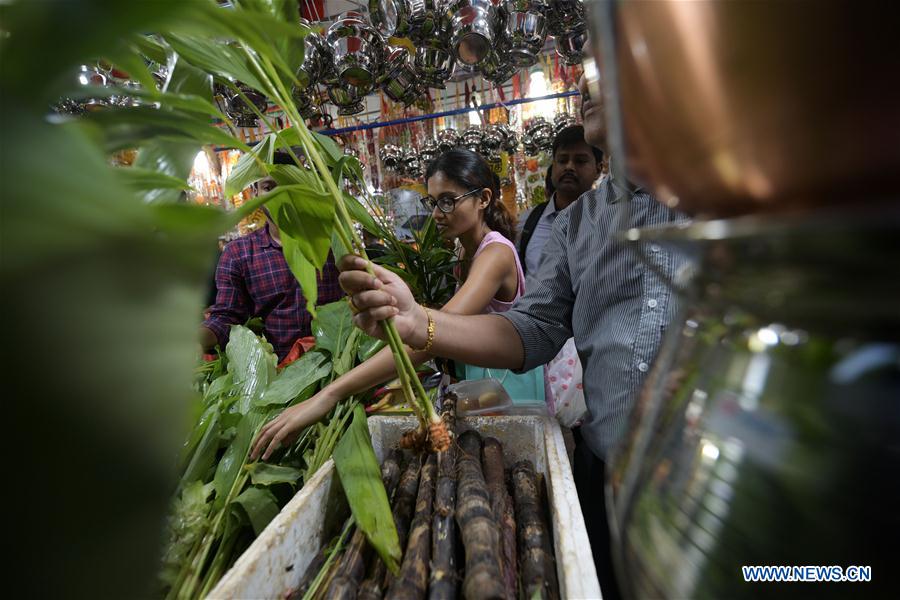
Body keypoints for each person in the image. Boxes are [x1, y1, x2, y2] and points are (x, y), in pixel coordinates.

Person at [336, 72, 686, 600]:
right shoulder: (577, 225)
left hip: (717, 477)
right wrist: (416, 322)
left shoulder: (731, 192)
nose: (590, 75)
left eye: (610, 53)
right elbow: (533, 328)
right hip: (611, 472)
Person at [251, 148, 532, 460]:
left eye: (449, 200)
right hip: (485, 391)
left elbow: (432, 335)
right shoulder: (465, 252)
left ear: (484, 199)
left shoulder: (495, 255)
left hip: (513, 396)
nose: (437, 213)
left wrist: (331, 393)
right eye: (433, 201)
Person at [199, 152, 344, 362]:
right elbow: (226, 318)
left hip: (341, 366)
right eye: (269, 187)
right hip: (279, 377)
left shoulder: (334, 243)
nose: (280, 196)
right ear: (255, 193)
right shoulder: (239, 254)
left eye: (289, 184)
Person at [518, 125, 603, 276]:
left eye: (580, 161)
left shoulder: (610, 220)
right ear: (553, 167)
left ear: (598, 169)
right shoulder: (527, 224)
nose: (569, 167)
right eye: (562, 160)